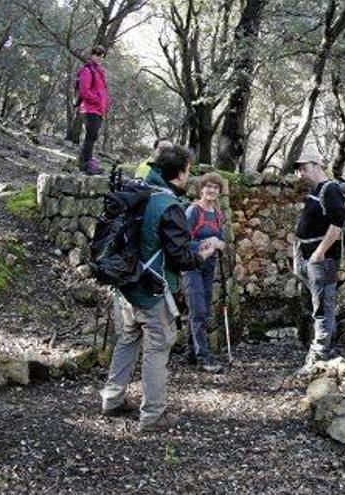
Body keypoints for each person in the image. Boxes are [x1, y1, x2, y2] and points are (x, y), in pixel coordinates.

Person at [100, 146, 216, 432]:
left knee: (128, 339)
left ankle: (112, 399)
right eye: (189, 170)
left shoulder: (140, 192)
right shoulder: (168, 205)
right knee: (158, 346)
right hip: (152, 290)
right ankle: (153, 414)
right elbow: (178, 257)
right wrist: (202, 253)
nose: (190, 176)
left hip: (126, 284)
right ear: (179, 173)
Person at [291, 149, 345, 375]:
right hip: (309, 258)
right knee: (317, 306)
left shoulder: (331, 189)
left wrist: (318, 253)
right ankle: (320, 351)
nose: (300, 174)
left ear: (317, 165)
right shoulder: (318, 191)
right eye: (299, 169)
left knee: (323, 308)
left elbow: (337, 225)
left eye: (304, 168)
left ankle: (321, 355)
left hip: (321, 261)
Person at [183, 172, 228, 373]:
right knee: (198, 310)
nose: (211, 190)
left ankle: (190, 352)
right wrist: (204, 245)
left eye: (215, 188)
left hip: (209, 268)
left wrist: (219, 244)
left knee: (203, 310)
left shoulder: (218, 214)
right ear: (201, 189)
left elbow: (222, 241)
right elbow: (181, 243)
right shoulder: (193, 212)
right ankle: (204, 357)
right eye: (208, 187)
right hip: (192, 266)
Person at [77, 45, 110, 175]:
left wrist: (104, 105)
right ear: (92, 55)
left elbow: (102, 92)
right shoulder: (87, 70)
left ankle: (86, 162)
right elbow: (84, 91)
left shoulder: (100, 72)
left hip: (98, 110)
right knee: (90, 136)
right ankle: (85, 164)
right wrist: (97, 100)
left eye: (102, 56)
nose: (100, 58)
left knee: (93, 136)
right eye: (97, 55)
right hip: (90, 109)